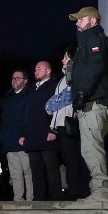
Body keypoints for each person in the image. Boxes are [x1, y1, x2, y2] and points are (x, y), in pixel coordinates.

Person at [68, 6, 108, 202]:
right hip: (100, 103)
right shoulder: (93, 40)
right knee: (94, 146)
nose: (77, 22)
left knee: (90, 148)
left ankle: (101, 191)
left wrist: (82, 93)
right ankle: (97, 189)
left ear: (93, 20)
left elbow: (95, 67)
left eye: (81, 19)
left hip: (94, 103)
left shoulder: (93, 39)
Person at [47, 47, 90, 199]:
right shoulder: (62, 79)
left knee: (76, 159)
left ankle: (80, 192)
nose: (62, 60)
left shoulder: (75, 75)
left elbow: (67, 97)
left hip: (72, 121)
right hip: (61, 124)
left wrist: (51, 103)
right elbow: (52, 104)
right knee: (69, 160)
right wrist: (51, 104)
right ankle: (75, 191)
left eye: (65, 57)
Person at [20, 61, 62, 200]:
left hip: (47, 133)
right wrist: (24, 134)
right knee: (36, 170)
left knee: (51, 169)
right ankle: (39, 199)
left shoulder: (55, 85)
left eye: (39, 68)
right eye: (35, 69)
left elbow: (58, 109)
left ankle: (56, 198)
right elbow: (26, 112)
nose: (35, 71)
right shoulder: (31, 89)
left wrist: (54, 130)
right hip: (32, 136)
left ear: (48, 70)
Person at [0, 69, 33, 201]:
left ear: (25, 81)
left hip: (24, 140)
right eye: (13, 78)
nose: (14, 80)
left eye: (18, 78)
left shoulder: (29, 96)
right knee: (15, 173)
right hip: (9, 141)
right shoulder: (8, 98)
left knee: (28, 171)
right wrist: (1, 140)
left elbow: (30, 118)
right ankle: (18, 199)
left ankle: (30, 199)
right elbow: (4, 121)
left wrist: (25, 135)